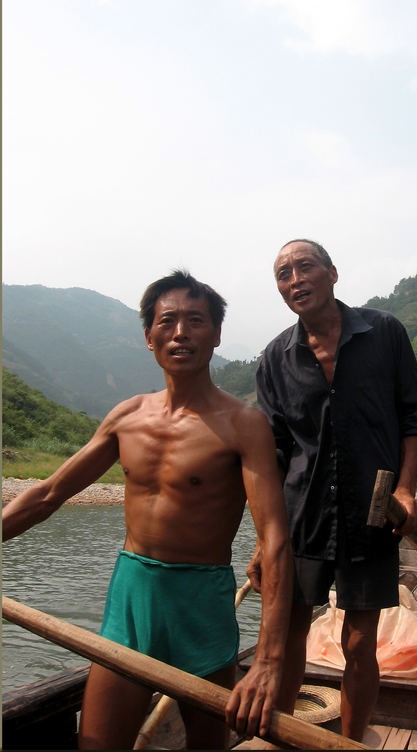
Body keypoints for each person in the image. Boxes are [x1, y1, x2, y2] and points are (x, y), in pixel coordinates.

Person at [2, 270, 293, 750]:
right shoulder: (127, 416)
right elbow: (49, 493)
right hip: (131, 599)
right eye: (168, 321)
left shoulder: (245, 425)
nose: (181, 333)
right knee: (96, 744)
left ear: (217, 335)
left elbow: (275, 540)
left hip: (201, 603)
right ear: (149, 336)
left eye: (195, 321)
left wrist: (267, 661)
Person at [247, 239, 417, 742]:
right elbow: (273, 454)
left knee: (358, 641)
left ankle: (349, 743)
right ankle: (281, 740)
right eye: (283, 274)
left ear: (332, 273)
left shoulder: (384, 333)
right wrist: (265, 541)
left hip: (371, 514)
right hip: (301, 513)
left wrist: (408, 489)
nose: (294, 280)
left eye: (304, 267)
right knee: (288, 636)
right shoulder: (275, 357)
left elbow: (414, 415)